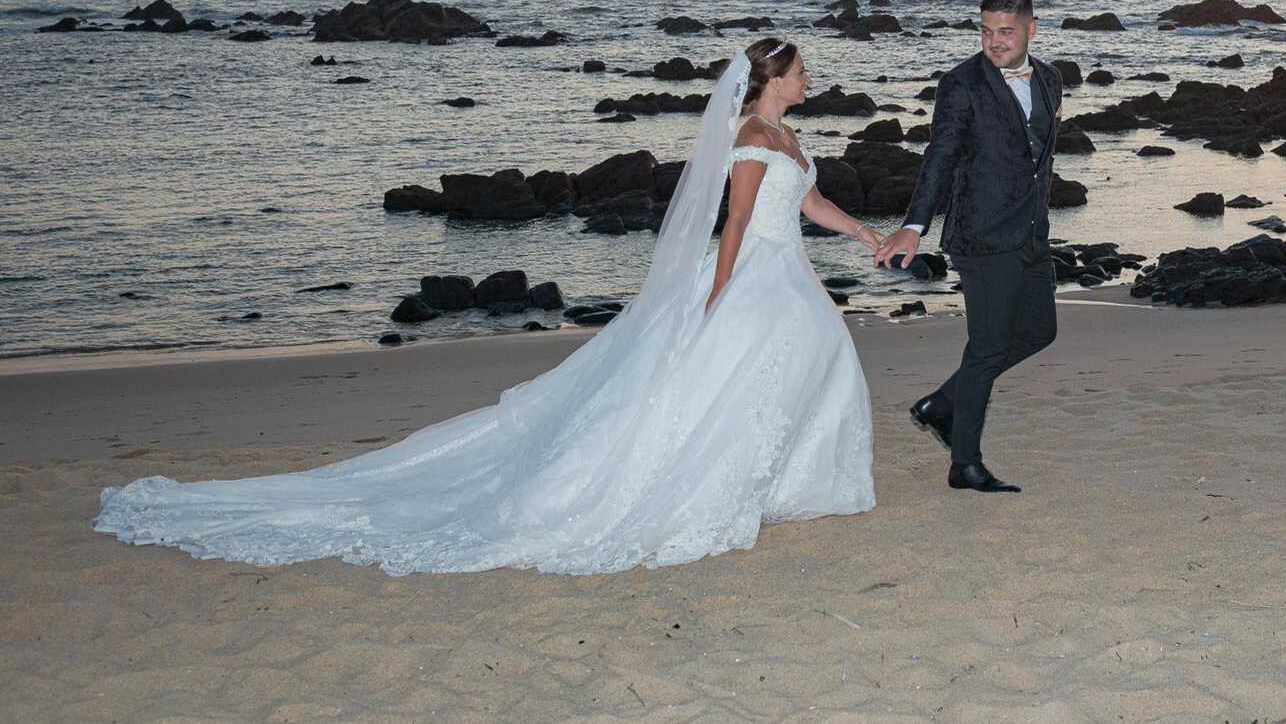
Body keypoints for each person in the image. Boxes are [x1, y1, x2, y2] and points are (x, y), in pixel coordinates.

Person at [94, 38, 878, 575]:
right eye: (803, 70)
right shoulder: (749, 137)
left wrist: (868, 232)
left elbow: (810, 205)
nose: (810, 80)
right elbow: (736, 221)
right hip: (751, 275)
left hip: (790, 271)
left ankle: (782, 484)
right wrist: (716, 292)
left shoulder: (789, 139)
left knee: (804, 362)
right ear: (775, 78)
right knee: (736, 379)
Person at [874, 0, 1061, 494]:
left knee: (1039, 331)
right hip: (979, 232)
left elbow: (1035, 160)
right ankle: (965, 464)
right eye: (986, 31)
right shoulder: (960, 84)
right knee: (987, 345)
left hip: (1030, 232)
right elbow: (941, 156)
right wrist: (915, 225)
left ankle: (941, 404)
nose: (995, 41)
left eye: (1006, 31)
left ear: (1030, 29)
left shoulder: (1050, 79)